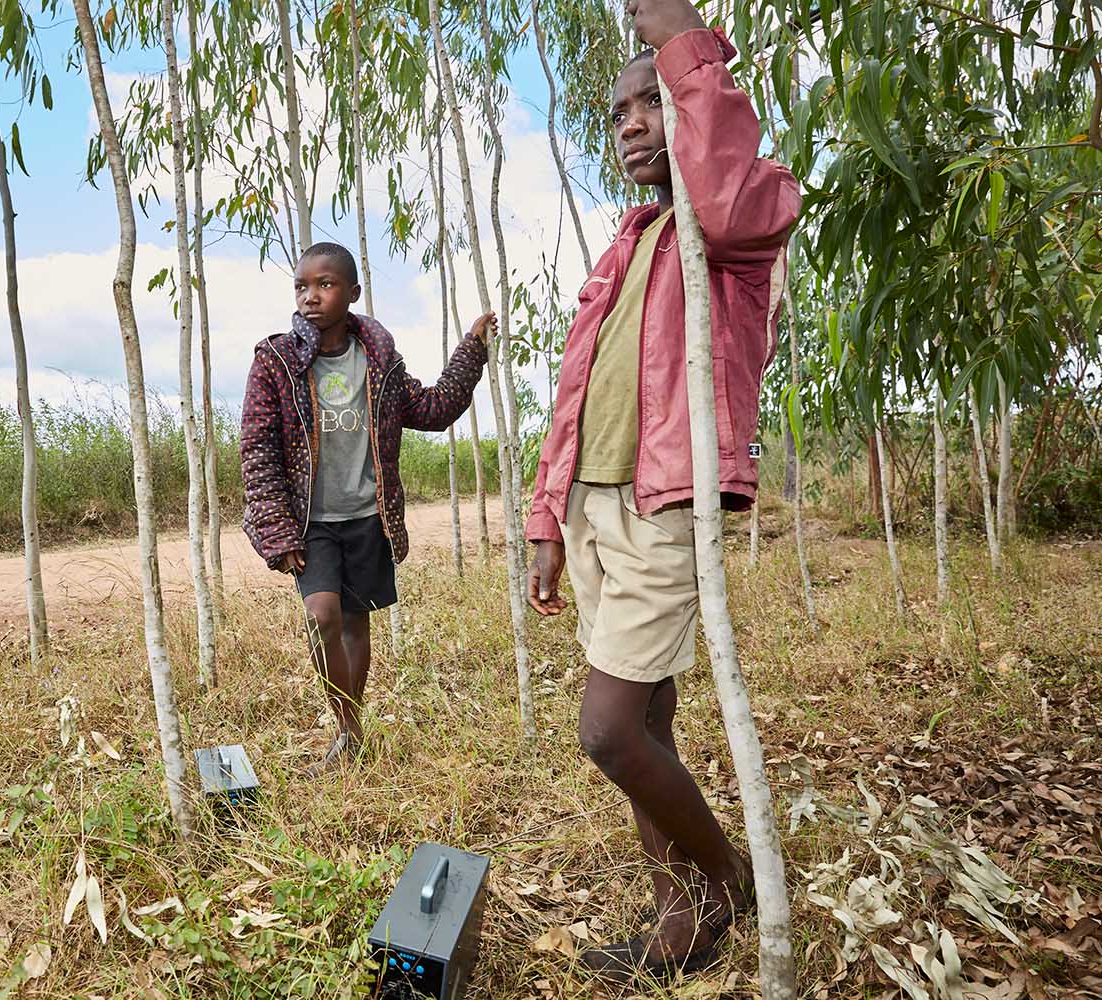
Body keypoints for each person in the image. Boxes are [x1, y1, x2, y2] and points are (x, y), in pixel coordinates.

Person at [524, 0, 800, 980]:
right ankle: (676, 913)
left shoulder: (737, 215)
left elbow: (721, 195)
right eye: (619, 112)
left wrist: (686, 39)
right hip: (595, 508)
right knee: (647, 723)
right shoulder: (629, 240)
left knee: (605, 729)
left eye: (655, 100)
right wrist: (546, 517)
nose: (634, 121)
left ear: (695, 98)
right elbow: (573, 396)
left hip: (664, 506)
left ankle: (727, 879)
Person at [241, 242, 493, 773]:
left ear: (352, 293)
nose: (311, 297)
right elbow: (257, 448)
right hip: (309, 521)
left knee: (356, 624)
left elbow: (432, 408)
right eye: (302, 286)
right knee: (321, 615)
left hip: (367, 516)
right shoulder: (276, 362)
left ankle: (348, 734)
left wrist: (471, 351)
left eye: (325, 285)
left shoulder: (377, 360)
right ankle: (349, 726)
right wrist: (277, 530)